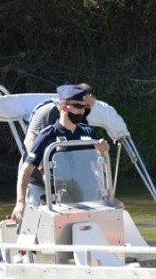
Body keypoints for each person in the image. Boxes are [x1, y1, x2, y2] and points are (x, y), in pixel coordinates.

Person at [11, 84, 109, 221]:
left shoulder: (88, 132)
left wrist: (108, 196)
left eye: (85, 107)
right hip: (50, 190)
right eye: (78, 106)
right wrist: (20, 203)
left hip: (80, 193)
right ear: (63, 107)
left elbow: (97, 167)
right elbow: (26, 168)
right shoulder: (47, 134)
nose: (82, 111)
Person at [24, 83, 95, 152]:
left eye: (85, 107)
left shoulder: (80, 119)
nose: (84, 110)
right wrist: (42, 163)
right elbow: (29, 141)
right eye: (82, 106)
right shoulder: (48, 111)